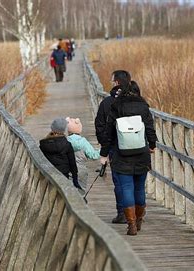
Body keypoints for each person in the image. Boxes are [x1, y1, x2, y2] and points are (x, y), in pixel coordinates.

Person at [100, 79, 157, 236]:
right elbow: (151, 130)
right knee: (139, 187)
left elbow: (108, 134)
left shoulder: (116, 106)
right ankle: (138, 220)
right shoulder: (143, 107)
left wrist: (104, 154)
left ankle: (131, 224)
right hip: (141, 153)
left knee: (126, 187)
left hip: (121, 153)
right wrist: (152, 145)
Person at [95, 70, 132, 224]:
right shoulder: (137, 101)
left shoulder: (107, 103)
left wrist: (104, 147)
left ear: (116, 83)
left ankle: (123, 213)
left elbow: (100, 126)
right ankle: (136, 213)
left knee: (120, 181)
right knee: (134, 181)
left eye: (112, 81)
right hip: (136, 147)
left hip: (116, 148)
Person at [40, 118, 81, 190]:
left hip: (48, 174)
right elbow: (72, 163)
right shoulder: (67, 144)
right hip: (63, 175)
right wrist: (75, 179)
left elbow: (41, 160)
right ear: (63, 130)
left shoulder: (43, 144)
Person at [66, 117, 100, 192]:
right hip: (81, 170)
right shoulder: (83, 142)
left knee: (70, 190)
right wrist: (102, 151)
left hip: (69, 169)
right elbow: (93, 155)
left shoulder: (66, 141)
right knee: (81, 190)